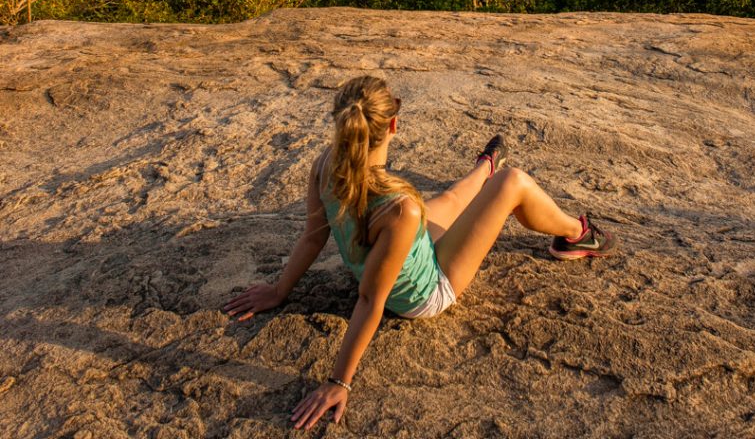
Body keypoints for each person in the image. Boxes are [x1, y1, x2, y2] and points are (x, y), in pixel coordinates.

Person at [223, 75, 615, 430]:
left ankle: (484, 168)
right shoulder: (399, 208)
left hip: (389, 255)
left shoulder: (327, 164)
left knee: (447, 200)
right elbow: (370, 300)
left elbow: (312, 237)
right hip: (424, 294)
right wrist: (338, 381)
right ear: (393, 125)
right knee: (514, 184)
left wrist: (279, 291)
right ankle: (577, 234)